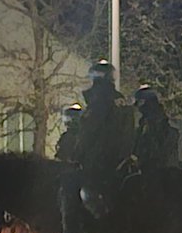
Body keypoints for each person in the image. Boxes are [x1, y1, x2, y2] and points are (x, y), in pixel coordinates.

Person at [55, 60, 135, 194]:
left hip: (98, 165)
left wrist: (77, 156)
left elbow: (88, 133)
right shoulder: (122, 103)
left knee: (67, 187)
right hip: (121, 165)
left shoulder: (99, 103)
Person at [131, 85, 179, 172]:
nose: (138, 107)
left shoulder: (156, 124)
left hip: (160, 173)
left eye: (140, 102)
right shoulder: (145, 123)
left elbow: (158, 151)